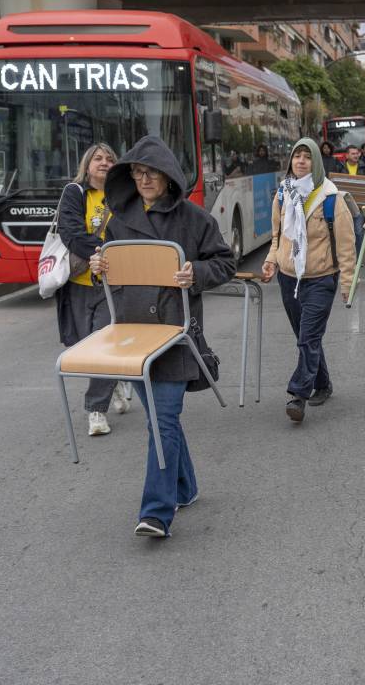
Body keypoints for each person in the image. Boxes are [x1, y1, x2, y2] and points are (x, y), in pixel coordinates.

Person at [89, 136, 235, 539]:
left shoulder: (195, 219)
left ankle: (156, 511)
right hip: (132, 336)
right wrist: (100, 263)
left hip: (175, 334)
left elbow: (225, 261)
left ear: (168, 175)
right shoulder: (118, 219)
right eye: (136, 173)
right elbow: (108, 262)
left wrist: (196, 274)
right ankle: (184, 487)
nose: (143, 179)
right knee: (160, 421)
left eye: (150, 172)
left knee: (163, 418)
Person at [262, 138, 358, 422]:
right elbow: (277, 235)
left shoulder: (332, 199)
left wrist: (347, 282)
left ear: (315, 162)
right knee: (306, 338)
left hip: (320, 279)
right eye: (296, 156)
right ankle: (323, 383)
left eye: (307, 157)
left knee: (308, 338)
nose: (301, 161)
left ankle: (298, 395)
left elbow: (346, 246)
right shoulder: (283, 194)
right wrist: (270, 260)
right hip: (288, 278)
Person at [55, 142, 130, 437]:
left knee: (105, 346)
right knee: (85, 347)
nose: (104, 162)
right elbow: (70, 232)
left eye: (109, 159)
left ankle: (95, 410)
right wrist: (100, 252)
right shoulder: (74, 193)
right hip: (79, 285)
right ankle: (114, 382)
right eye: (97, 158)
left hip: (114, 285)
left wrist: (110, 257)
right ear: (86, 165)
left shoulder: (123, 196)